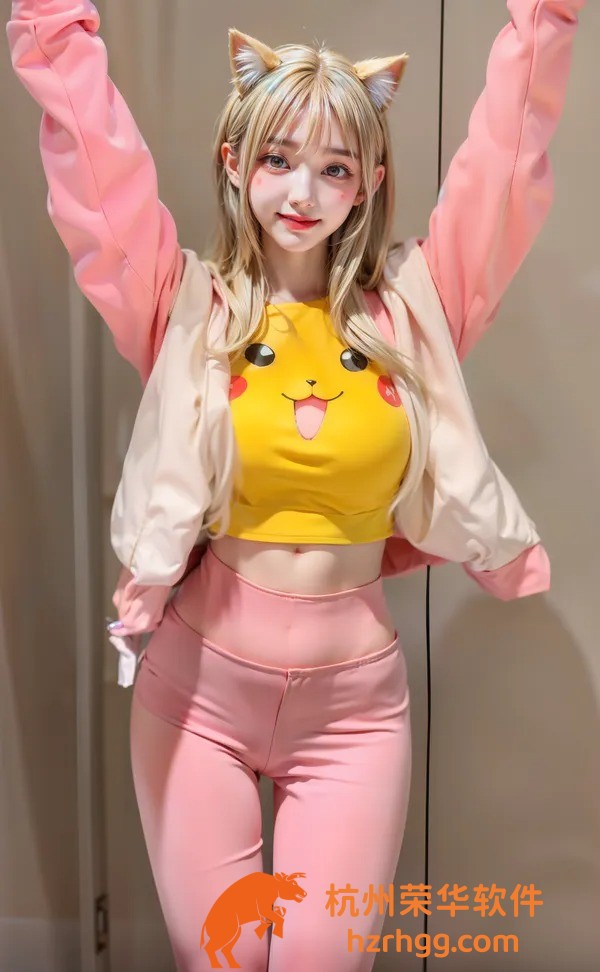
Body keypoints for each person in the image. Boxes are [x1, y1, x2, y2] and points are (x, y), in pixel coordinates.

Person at [7, 2, 584, 969]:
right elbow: (100, 175)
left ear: (370, 183)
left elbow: (501, 171)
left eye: (335, 168)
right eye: (278, 159)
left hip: (353, 716)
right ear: (236, 162)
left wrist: (548, 16)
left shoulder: (413, 313)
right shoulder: (186, 304)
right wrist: (51, 23)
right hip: (197, 699)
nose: (303, 192)